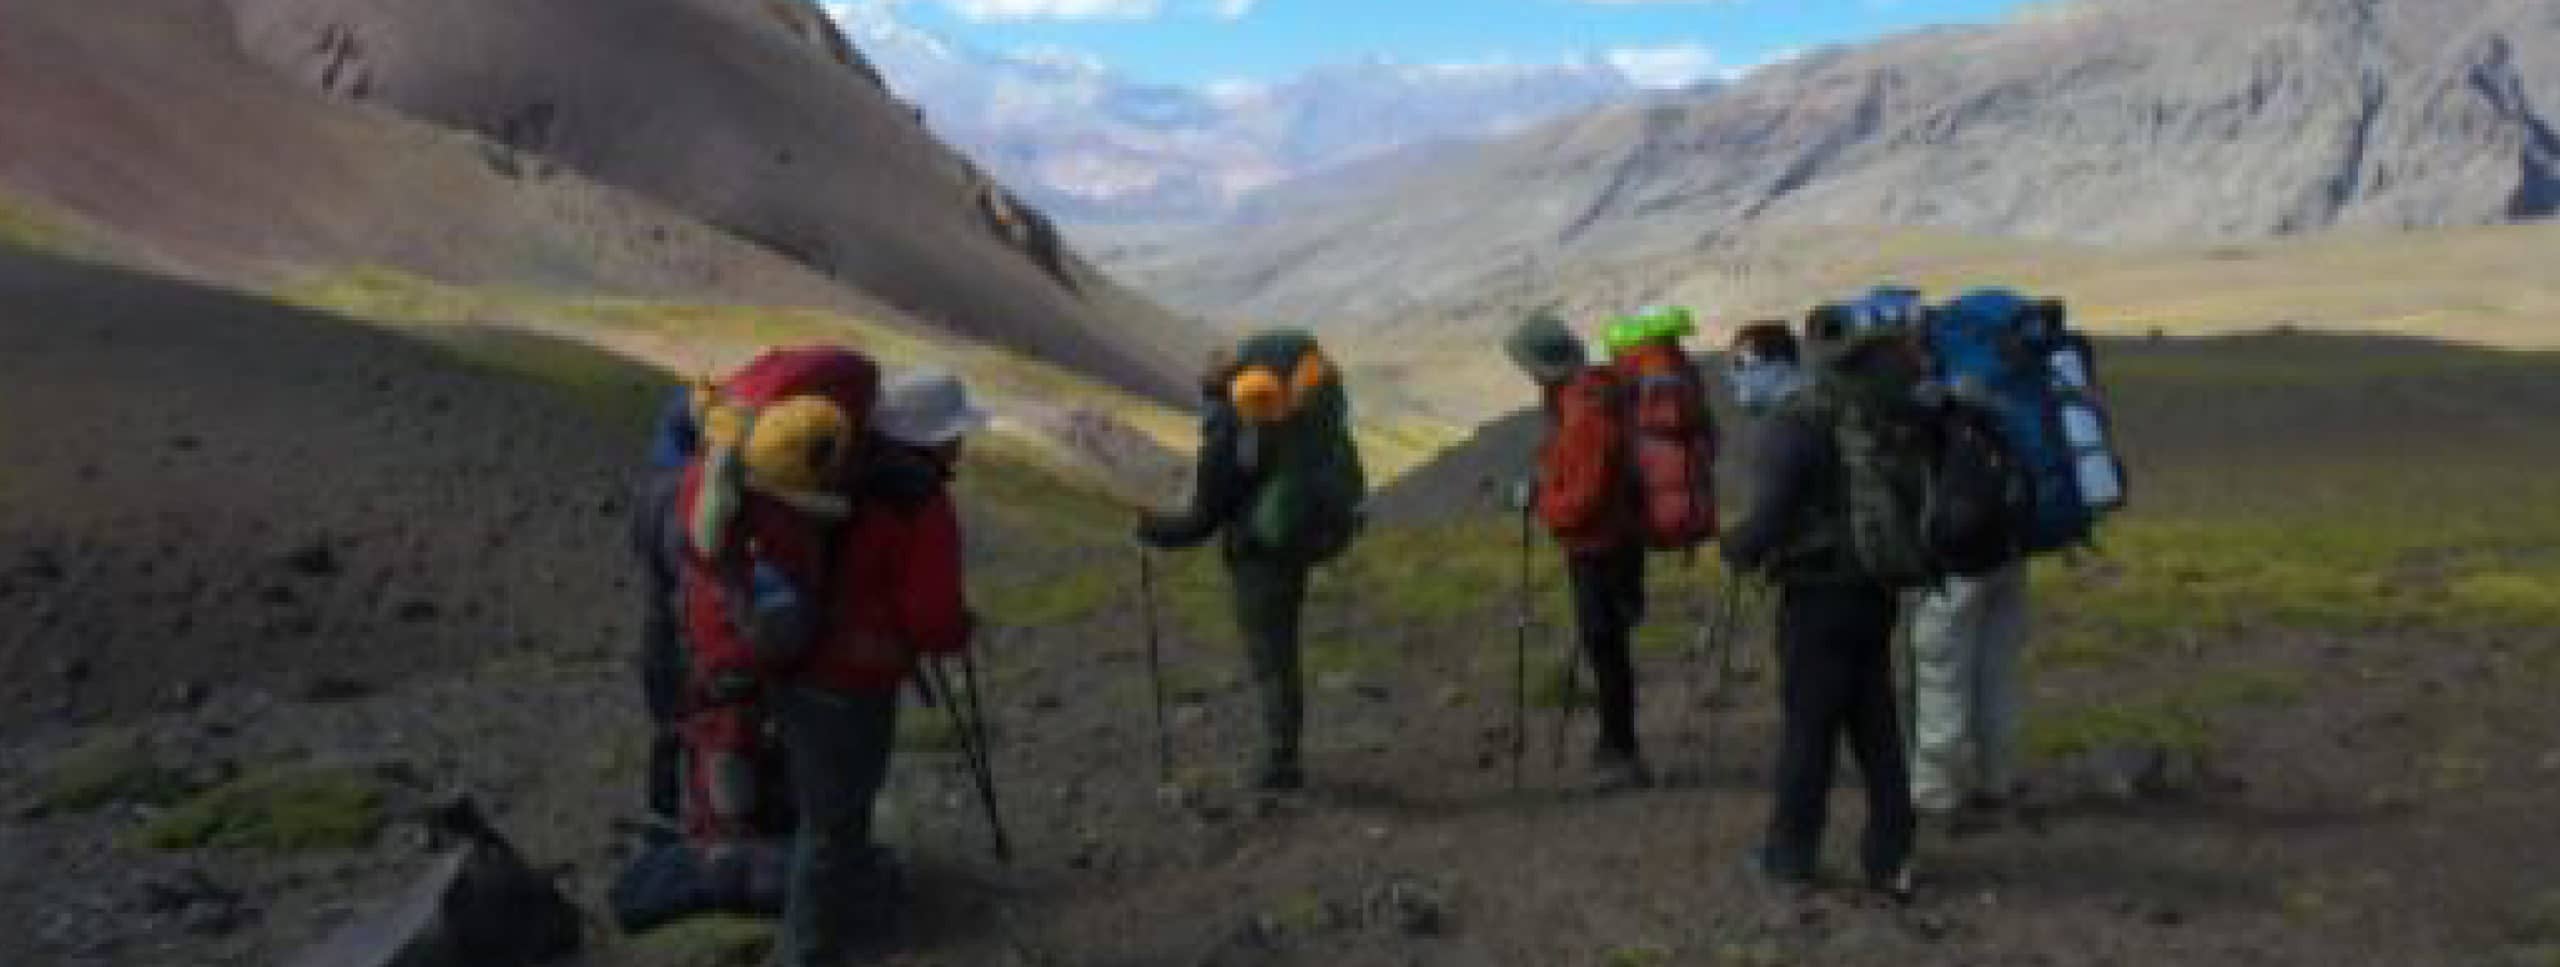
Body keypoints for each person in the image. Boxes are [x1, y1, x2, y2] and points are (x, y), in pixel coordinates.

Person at [772, 366, 985, 967]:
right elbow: (933, 618)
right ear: (933, 437)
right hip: (854, 681)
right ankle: (806, 951)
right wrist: (961, 629)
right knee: (834, 824)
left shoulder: (844, 472)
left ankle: (837, 932)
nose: (962, 445)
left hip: (795, 659)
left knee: (825, 812)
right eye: (955, 434)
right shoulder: (921, 503)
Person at [1719, 304, 1922, 902]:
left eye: (1737, 368)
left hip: (1816, 598)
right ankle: (1890, 858)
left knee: (1809, 731)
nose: (1732, 382)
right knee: (1877, 728)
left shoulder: (1792, 424)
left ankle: (1790, 857)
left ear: (1763, 364)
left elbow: (1772, 518)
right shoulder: (1857, 410)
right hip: (1874, 591)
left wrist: (1737, 545)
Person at [1138, 331, 1365, 792]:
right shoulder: (1281, 420)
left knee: (1272, 659)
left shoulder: (1229, 436)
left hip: (1260, 558)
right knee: (1282, 653)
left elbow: (1202, 521)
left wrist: (1149, 529)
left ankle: (1282, 763)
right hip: (1292, 547)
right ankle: (1285, 754)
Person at [1504, 310, 1655, 790]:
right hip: (1613, 541)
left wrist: (1543, 503)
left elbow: (1587, 495)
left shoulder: (1585, 408)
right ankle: (1617, 746)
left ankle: (1620, 752)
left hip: (1601, 547)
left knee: (1605, 646)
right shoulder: (1586, 398)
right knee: (1606, 645)